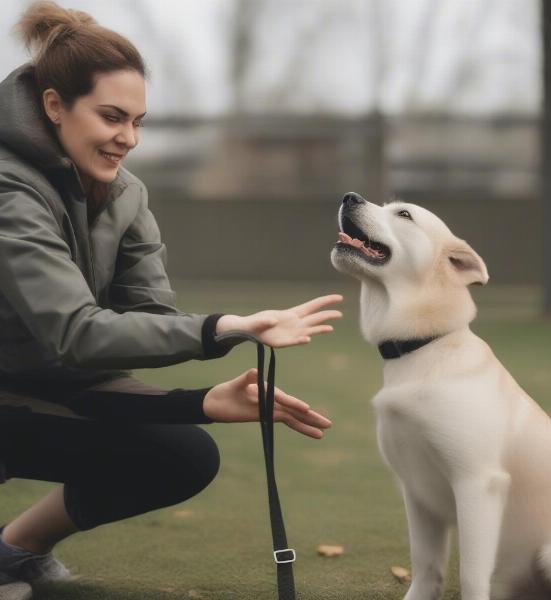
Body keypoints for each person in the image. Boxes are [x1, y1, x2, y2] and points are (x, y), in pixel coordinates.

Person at [0, 3, 342, 599]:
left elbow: (148, 321)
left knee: (182, 454)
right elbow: (77, 334)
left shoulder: (125, 194)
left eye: (138, 121)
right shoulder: (8, 186)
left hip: (44, 383)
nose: (127, 139)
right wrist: (228, 326)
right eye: (111, 117)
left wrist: (202, 401)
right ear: (54, 106)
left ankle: (15, 549)